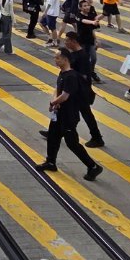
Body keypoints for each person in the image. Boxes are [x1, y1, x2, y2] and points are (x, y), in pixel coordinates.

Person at [36, 46, 104, 180]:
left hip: (69, 115)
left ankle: (93, 166)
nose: (55, 60)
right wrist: (54, 101)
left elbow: (66, 95)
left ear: (65, 59)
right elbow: (58, 89)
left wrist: (53, 103)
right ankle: (51, 162)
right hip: (59, 113)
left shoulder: (72, 76)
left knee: (72, 143)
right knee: (53, 137)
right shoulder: (63, 73)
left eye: (57, 58)